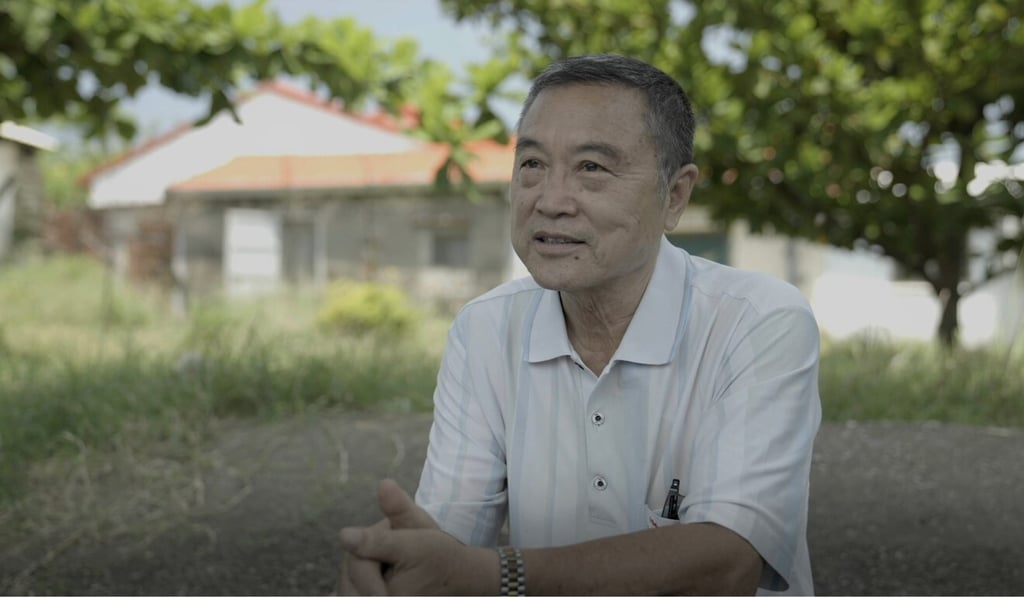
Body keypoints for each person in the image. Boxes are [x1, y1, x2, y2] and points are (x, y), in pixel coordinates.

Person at [337, 53, 821, 596]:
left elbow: (727, 562)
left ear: (676, 196)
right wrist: (403, 564)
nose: (550, 201)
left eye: (592, 167)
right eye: (532, 164)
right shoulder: (486, 331)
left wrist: (497, 576)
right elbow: (451, 540)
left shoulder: (756, 321)